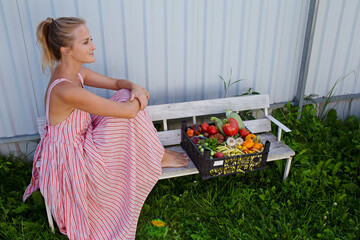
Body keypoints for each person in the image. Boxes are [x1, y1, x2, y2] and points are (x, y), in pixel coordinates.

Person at [23, 17, 188, 240]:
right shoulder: (66, 89)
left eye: (91, 39)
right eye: (85, 42)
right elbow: (129, 112)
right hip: (73, 159)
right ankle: (156, 156)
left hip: (83, 138)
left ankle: (156, 155)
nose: (93, 46)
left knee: (124, 95)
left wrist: (135, 87)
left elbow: (118, 84)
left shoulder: (76, 73)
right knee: (128, 106)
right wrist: (140, 98)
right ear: (66, 50)